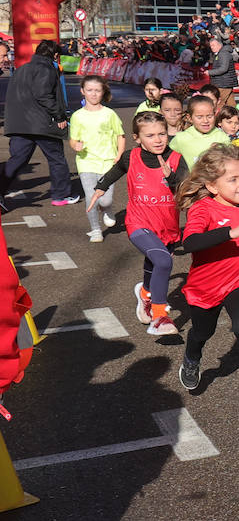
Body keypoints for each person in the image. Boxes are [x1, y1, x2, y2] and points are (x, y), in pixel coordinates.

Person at [175, 144, 239, 411]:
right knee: (202, 331)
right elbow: (190, 242)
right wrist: (231, 232)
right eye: (233, 179)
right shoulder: (203, 209)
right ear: (212, 186)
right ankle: (192, 357)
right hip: (205, 286)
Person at [87, 112, 186, 336]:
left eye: (162, 133)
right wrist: (100, 187)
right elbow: (116, 171)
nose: (158, 139)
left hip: (168, 225)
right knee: (162, 260)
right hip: (138, 222)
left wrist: (172, 178)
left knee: (156, 262)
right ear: (137, 138)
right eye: (150, 135)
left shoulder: (177, 158)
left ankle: (145, 294)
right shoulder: (130, 157)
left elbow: (185, 187)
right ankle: (160, 315)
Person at [0, 40, 76, 206]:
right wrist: (59, 116)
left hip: (19, 124)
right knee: (56, 159)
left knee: (18, 159)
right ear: (55, 55)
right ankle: (60, 195)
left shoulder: (21, 70)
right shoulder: (47, 69)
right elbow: (43, 95)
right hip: (41, 124)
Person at [68, 75, 125, 243]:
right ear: (82, 92)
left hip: (108, 161)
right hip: (86, 161)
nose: (93, 94)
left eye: (97, 90)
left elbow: (120, 136)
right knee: (91, 196)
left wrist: (119, 154)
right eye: (89, 90)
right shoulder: (77, 116)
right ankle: (95, 230)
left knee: (105, 198)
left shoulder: (110, 114)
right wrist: (75, 146)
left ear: (103, 92)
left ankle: (107, 209)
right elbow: (73, 139)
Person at [170, 95, 231, 166]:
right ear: (189, 118)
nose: (205, 121)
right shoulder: (181, 138)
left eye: (209, 116)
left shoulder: (222, 137)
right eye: (199, 117)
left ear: (215, 115)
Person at [205, 36, 237, 110]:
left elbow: (223, 68)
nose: (211, 47)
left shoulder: (223, 54)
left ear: (220, 45)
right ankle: (237, 116)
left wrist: (210, 72)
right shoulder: (220, 53)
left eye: (213, 45)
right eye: (210, 46)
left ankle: (218, 118)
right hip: (225, 82)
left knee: (219, 103)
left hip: (223, 83)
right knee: (231, 104)